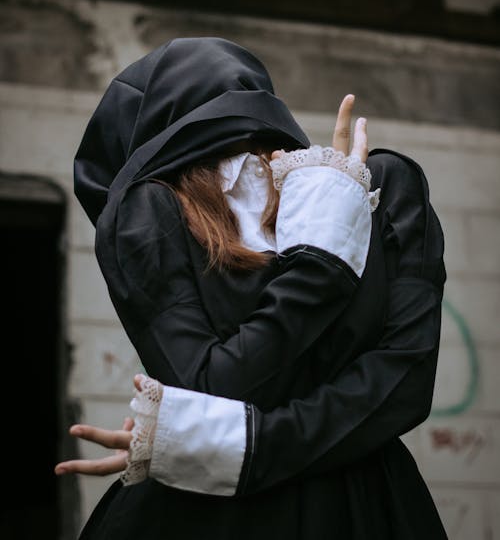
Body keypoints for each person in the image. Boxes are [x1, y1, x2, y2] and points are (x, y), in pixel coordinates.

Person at [55, 36, 448, 539]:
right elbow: (214, 387)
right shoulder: (148, 216)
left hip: (349, 506)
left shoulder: (382, 186)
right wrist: (319, 265)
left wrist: (239, 448)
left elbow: (405, 384)